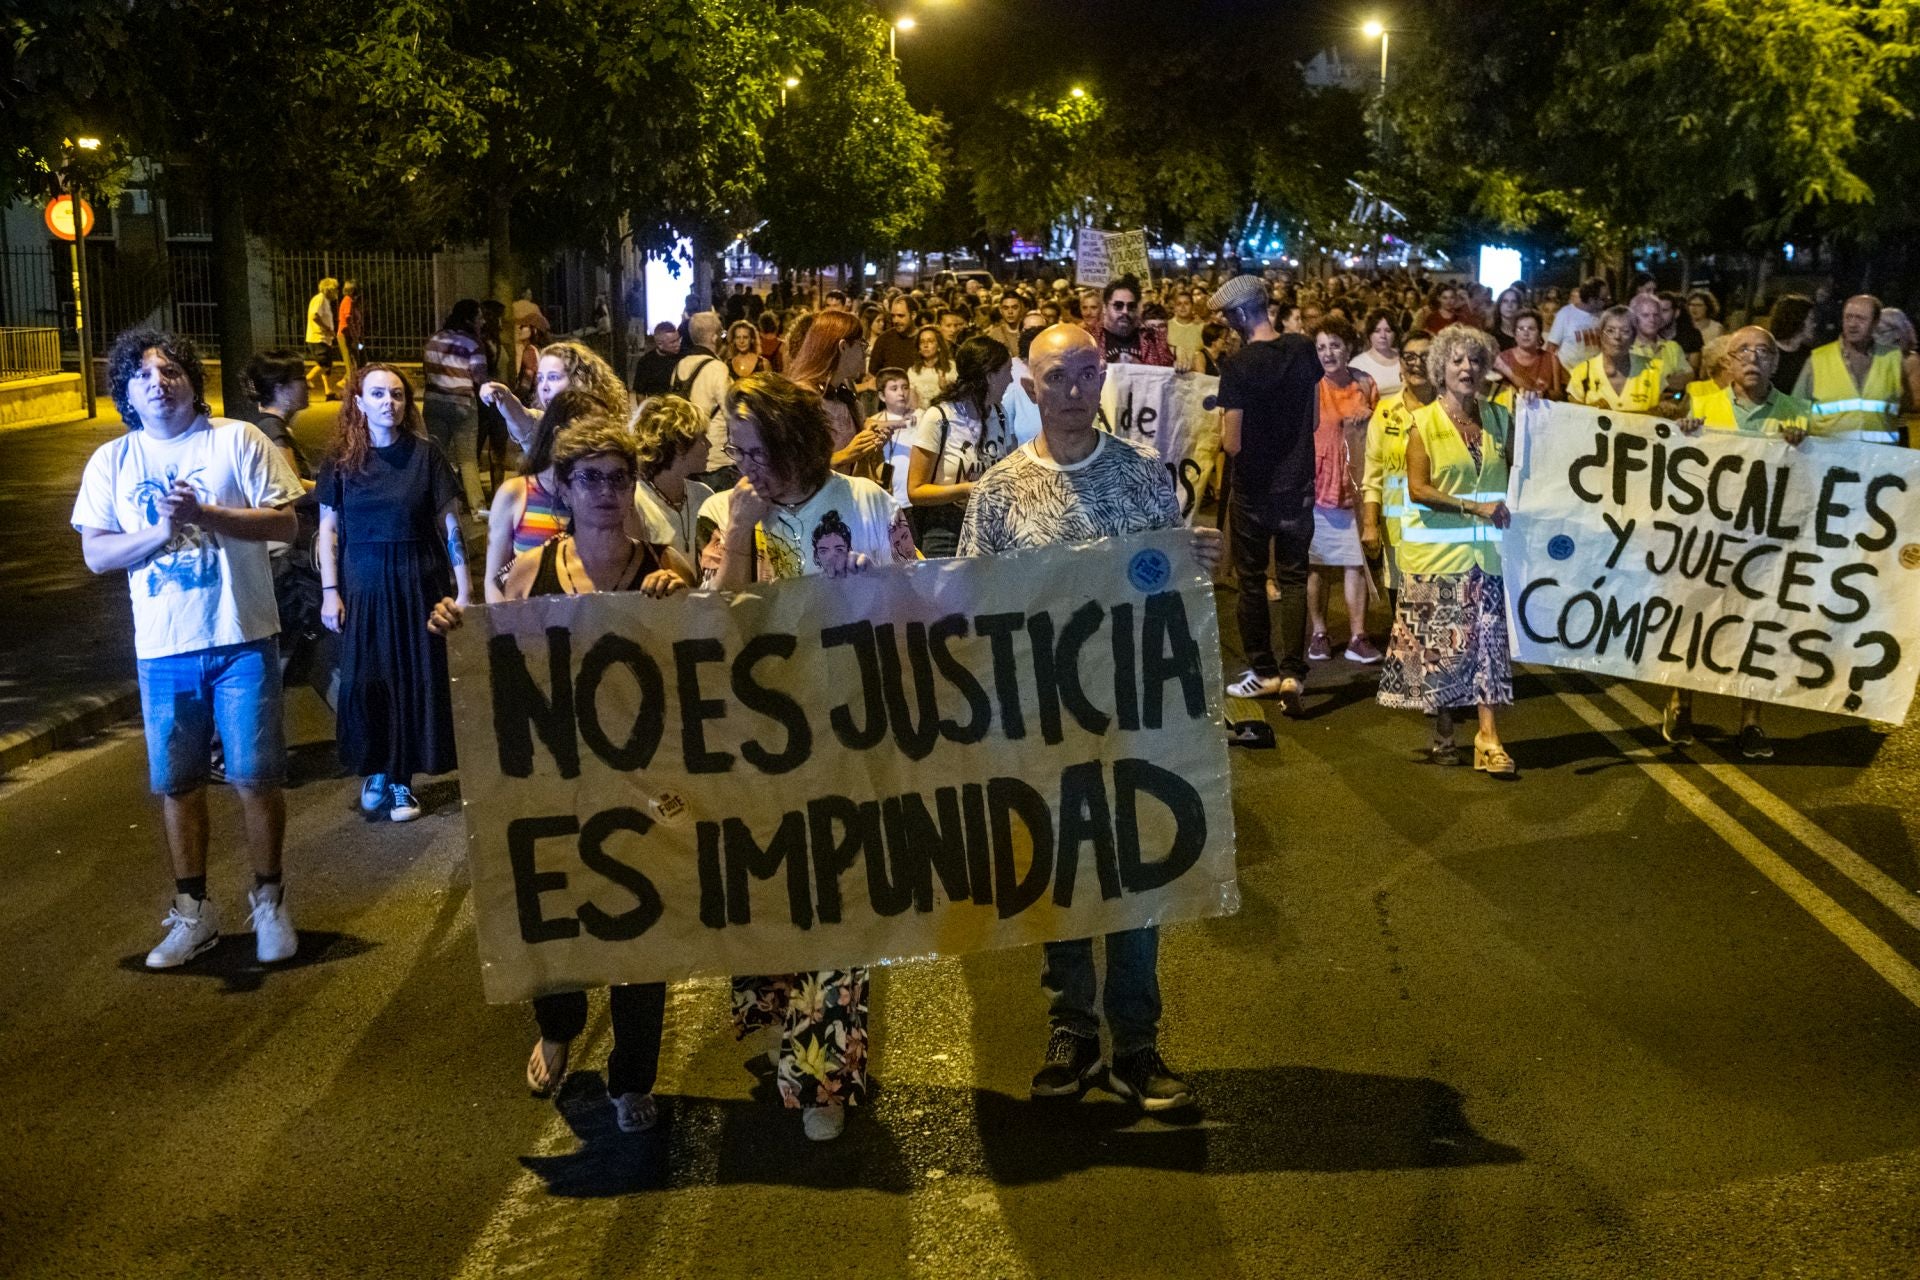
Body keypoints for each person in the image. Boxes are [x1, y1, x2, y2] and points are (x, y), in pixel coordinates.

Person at [957, 323, 1223, 1113]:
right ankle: (1071, 1029)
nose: (1073, 391)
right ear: (1028, 386)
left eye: (1085, 374)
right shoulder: (998, 491)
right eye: (1056, 376)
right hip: (1040, 721)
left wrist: (1194, 561)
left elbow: (1166, 589)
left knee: (1133, 877)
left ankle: (1136, 1044)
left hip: (1131, 713)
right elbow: (973, 603)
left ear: (1102, 380)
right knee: (1061, 874)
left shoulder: (1141, 475)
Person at [428, 417, 697, 1135]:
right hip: (557, 778)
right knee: (560, 913)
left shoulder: (666, 567)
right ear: (566, 488)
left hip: (643, 780)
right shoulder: (530, 570)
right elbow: (499, 661)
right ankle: (558, 1022)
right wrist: (460, 624)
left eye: (620, 478)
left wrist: (686, 607)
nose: (607, 492)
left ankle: (633, 1075)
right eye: (592, 479)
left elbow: (707, 664)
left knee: (643, 923)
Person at [705, 373, 914, 1141]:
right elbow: (716, 627)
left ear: (796, 440)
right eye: (736, 451)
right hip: (759, 745)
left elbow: (922, 599)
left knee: (837, 907)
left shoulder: (867, 502)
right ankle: (774, 1017)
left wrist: (880, 583)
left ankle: (824, 1076)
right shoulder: (729, 511)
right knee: (769, 893)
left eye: (756, 450)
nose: (745, 464)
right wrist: (738, 532)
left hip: (852, 737)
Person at [74, 328, 302, 968]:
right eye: (141, 375)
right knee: (179, 784)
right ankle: (192, 912)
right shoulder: (112, 463)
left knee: (257, 778)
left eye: (169, 369)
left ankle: (270, 900)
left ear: (191, 381)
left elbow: (286, 521)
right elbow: (96, 552)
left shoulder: (237, 440)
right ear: (126, 393)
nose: (156, 381)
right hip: (164, 647)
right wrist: (161, 529)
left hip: (241, 635)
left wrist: (207, 516)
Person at [316, 364, 471, 822]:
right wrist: (330, 591)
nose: (390, 402)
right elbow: (328, 529)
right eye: (379, 394)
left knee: (412, 678)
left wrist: (463, 590)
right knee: (367, 681)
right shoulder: (342, 461)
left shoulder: (426, 456)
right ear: (359, 403)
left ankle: (402, 779)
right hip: (363, 583)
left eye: (399, 395)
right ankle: (376, 769)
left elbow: (449, 525)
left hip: (418, 579)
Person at [1667, 327, 1814, 757]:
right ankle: (1681, 703)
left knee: (1758, 626)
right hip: (1707, 535)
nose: (1752, 358)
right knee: (1693, 619)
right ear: (1727, 363)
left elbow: (1810, 480)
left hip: (1765, 541)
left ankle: (1752, 721)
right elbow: (1677, 467)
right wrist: (1683, 433)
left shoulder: (1797, 412)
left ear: (1774, 362)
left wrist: (1806, 447)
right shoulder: (1703, 404)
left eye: (1763, 351)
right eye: (1742, 351)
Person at [1379, 325, 1516, 776]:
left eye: (1475, 361)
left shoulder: (1499, 419)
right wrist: (1475, 507)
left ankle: (1489, 738)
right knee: (1441, 656)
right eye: (1457, 360)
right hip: (1437, 559)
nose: (1466, 368)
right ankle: (1444, 731)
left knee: (1488, 649)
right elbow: (1417, 489)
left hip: (1487, 558)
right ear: (1441, 368)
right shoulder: (1423, 423)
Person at [1211, 275, 1322, 710]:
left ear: (1240, 315)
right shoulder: (1303, 349)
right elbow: (1312, 420)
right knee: (1294, 578)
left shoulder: (1236, 368)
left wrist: (1222, 427)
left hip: (1254, 492)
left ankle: (1264, 671)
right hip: (1297, 487)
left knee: (1253, 583)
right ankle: (1294, 674)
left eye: (1227, 317)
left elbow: (1232, 442)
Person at [1304, 319, 1380, 663]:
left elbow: (1381, 433)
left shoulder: (1365, 384)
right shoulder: (1308, 387)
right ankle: (1319, 633)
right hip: (1318, 487)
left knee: (1355, 564)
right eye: (1321, 347)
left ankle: (1357, 636)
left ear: (1348, 348)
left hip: (1355, 487)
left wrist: (1371, 419)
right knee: (1316, 565)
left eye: (1334, 345)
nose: (1328, 353)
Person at [907, 334, 1017, 556]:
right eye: (1007, 371)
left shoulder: (1000, 414)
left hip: (991, 527)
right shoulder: (939, 417)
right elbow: (915, 490)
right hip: (946, 532)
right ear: (989, 376)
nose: (1011, 380)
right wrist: (965, 489)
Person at [1360, 332, 1436, 597]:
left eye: (1425, 356)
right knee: (1401, 612)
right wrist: (1370, 524)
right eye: (1410, 357)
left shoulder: (1451, 410)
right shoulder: (1384, 411)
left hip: (1440, 529)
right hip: (1397, 533)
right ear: (1401, 364)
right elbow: (1373, 474)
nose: (1417, 363)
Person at [1794, 294, 1913, 445]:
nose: (1852, 324)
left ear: (1875, 323)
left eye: (1860, 319)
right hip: (1828, 459)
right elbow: (1795, 409)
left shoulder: (1893, 358)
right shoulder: (1818, 359)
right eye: (1848, 317)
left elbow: (1906, 404)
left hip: (1879, 460)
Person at [423, 300, 490, 515]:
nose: (483, 321)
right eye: (479, 317)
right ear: (469, 319)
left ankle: (434, 507)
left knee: (435, 457)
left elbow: (427, 371)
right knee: (468, 460)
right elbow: (479, 377)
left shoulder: (434, 339)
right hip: (462, 405)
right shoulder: (472, 343)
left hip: (434, 403)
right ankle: (478, 510)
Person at [630, 394, 715, 556]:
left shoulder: (703, 495)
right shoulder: (636, 502)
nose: (709, 445)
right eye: (701, 438)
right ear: (679, 446)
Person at [1566, 306, 1672, 414]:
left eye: (1625, 331)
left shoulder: (1654, 369)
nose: (1617, 336)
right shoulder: (1583, 372)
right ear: (1601, 336)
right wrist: (1589, 409)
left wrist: (1664, 408)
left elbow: (1672, 406)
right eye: (1610, 331)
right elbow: (1571, 415)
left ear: (1634, 337)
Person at [675, 312, 735, 487]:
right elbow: (731, 413)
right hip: (716, 459)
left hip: (688, 456)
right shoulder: (718, 369)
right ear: (714, 337)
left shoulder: (680, 365)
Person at [1085, 274, 1175, 366]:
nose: (1125, 311)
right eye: (1118, 306)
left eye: (1131, 306)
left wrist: (1180, 360)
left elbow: (1167, 370)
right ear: (1104, 308)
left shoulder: (1152, 339)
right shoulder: (1088, 340)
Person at [1492, 309, 1567, 400]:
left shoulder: (1551, 359)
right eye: (1521, 329)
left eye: (1531, 329)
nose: (1526, 333)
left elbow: (1559, 395)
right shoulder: (1503, 359)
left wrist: (1544, 394)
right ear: (1515, 334)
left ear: (1539, 334)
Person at [1546, 277, 1609, 372]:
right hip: (1568, 376)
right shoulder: (1565, 314)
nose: (1606, 302)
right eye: (1603, 299)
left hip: (1594, 377)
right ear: (1591, 300)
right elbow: (1551, 348)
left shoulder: (1604, 316)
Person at [1764, 293, 1818, 395]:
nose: (1814, 324)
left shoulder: (1810, 355)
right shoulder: (1768, 352)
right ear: (1797, 320)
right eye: (1810, 319)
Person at [1350, 309, 1404, 395]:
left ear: (1395, 334)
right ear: (1369, 334)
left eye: (1388, 331)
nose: (1383, 336)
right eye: (1377, 331)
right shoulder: (1358, 365)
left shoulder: (1404, 358)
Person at [305, 277, 341, 400]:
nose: (337, 291)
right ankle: (306, 380)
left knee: (327, 366)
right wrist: (327, 328)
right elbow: (314, 315)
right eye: (335, 289)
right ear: (329, 289)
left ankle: (328, 391)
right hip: (318, 337)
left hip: (324, 338)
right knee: (323, 364)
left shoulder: (324, 300)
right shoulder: (319, 299)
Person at [906, 323, 954, 408]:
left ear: (939, 346)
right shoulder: (912, 371)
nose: (925, 345)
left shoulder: (950, 368)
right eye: (922, 342)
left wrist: (945, 388)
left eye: (930, 341)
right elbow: (911, 404)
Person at [869, 294, 919, 375]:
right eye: (893, 316)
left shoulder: (923, 339)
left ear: (913, 315)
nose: (895, 320)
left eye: (900, 316)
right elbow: (872, 374)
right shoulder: (884, 339)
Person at [631, 322, 683, 396]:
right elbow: (640, 393)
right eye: (673, 342)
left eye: (678, 340)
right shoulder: (646, 362)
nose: (678, 344)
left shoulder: (683, 359)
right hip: (656, 404)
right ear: (660, 344)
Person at [1167, 288, 1206, 368]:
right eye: (1179, 304)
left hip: (1198, 374)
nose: (1182, 307)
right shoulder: (1167, 326)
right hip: (1173, 373)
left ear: (1192, 306)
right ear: (1174, 307)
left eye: (1186, 303)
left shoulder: (1201, 326)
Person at [335, 280, 363, 376]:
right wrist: (355, 336)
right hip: (346, 335)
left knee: (355, 359)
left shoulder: (351, 301)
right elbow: (348, 319)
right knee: (351, 361)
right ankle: (347, 382)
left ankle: (347, 381)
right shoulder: (348, 301)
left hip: (350, 335)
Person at [987, 291, 1026, 358]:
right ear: (1000, 310)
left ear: (1021, 308)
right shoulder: (993, 335)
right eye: (1006, 308)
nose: (1010, 312)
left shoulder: (1028, 331)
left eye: (1014, 307)